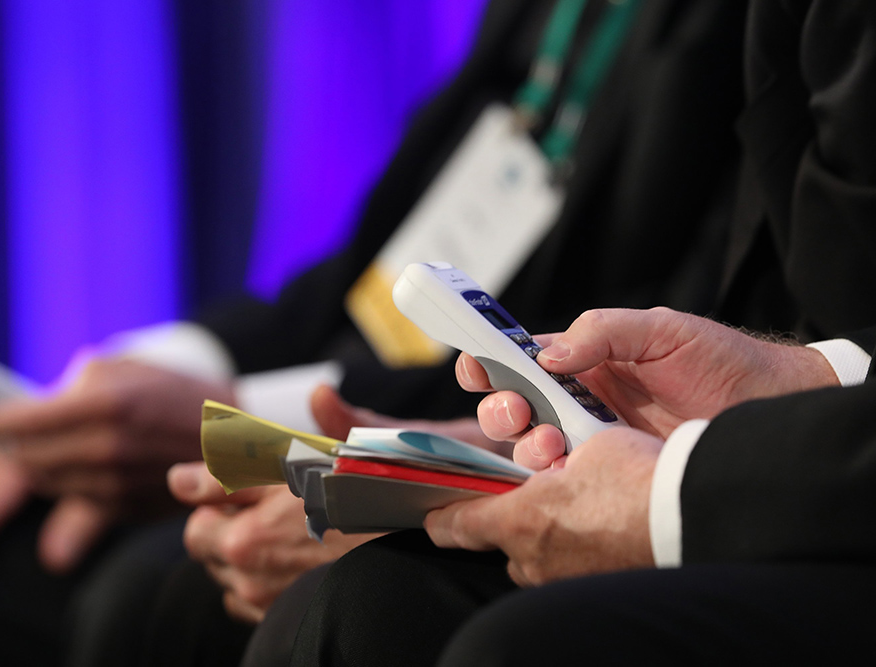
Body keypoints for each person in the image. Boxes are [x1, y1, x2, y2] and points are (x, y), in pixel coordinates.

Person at [0, 0, 747, 664]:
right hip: (347, 408)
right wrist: (111, 397)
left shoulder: (744, 40)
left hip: (529, 446)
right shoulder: (545, 18)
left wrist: (224, 421)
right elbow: (359, 282)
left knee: (167, 597)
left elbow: (645, 345)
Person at [283, 1, 876, 663]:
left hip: (814, 483)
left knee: (447, 625)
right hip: (784, 430)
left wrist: (677, 487)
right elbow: (377, 232)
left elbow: (693, 281)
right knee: (363, 597)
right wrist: (808, 375)